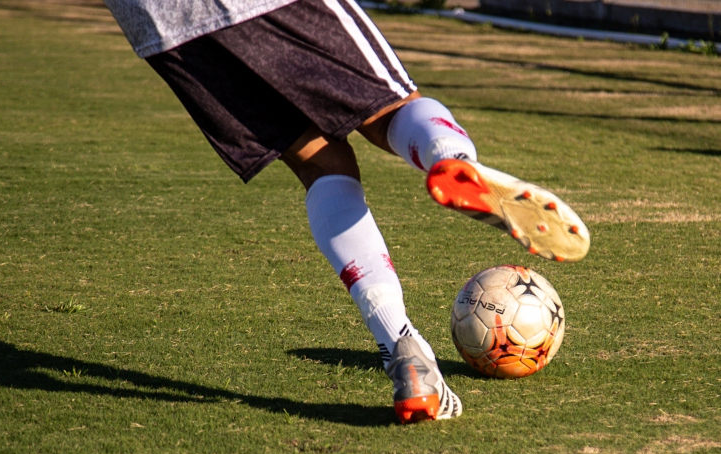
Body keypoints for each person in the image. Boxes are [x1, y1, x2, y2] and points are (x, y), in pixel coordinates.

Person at [102, 0, 590, 424]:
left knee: (320, 162)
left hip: (156, 20)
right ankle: (451, 161)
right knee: (387, 108)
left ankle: (403, 346)